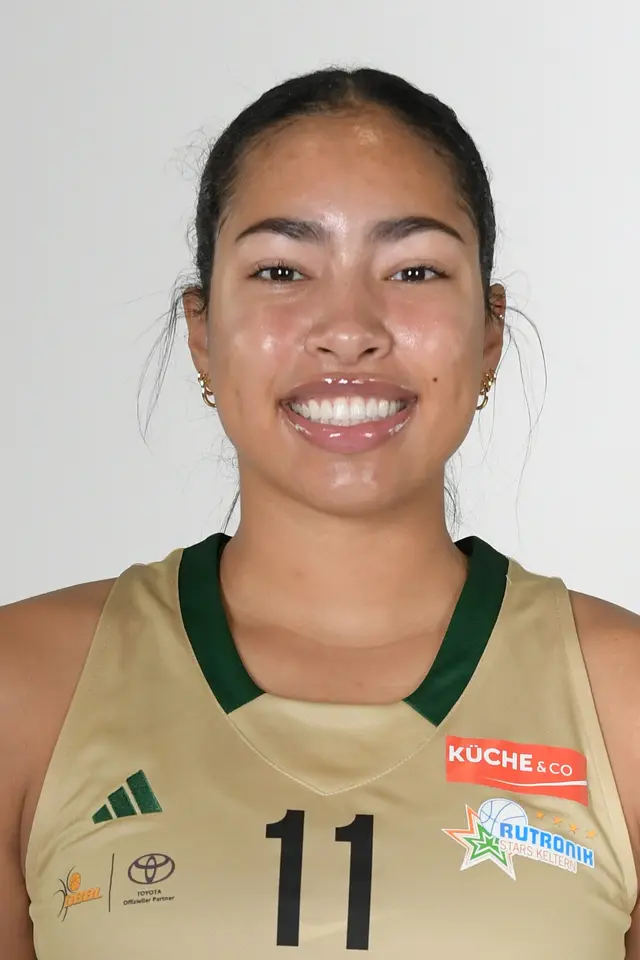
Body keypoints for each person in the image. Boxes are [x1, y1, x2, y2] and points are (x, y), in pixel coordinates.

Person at [1, 66, 638, 960]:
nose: (348, 328)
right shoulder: (25, 688)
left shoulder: (622, 699)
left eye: (414, 269)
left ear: (489, 333)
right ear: (202, 332)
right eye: (281, 270)